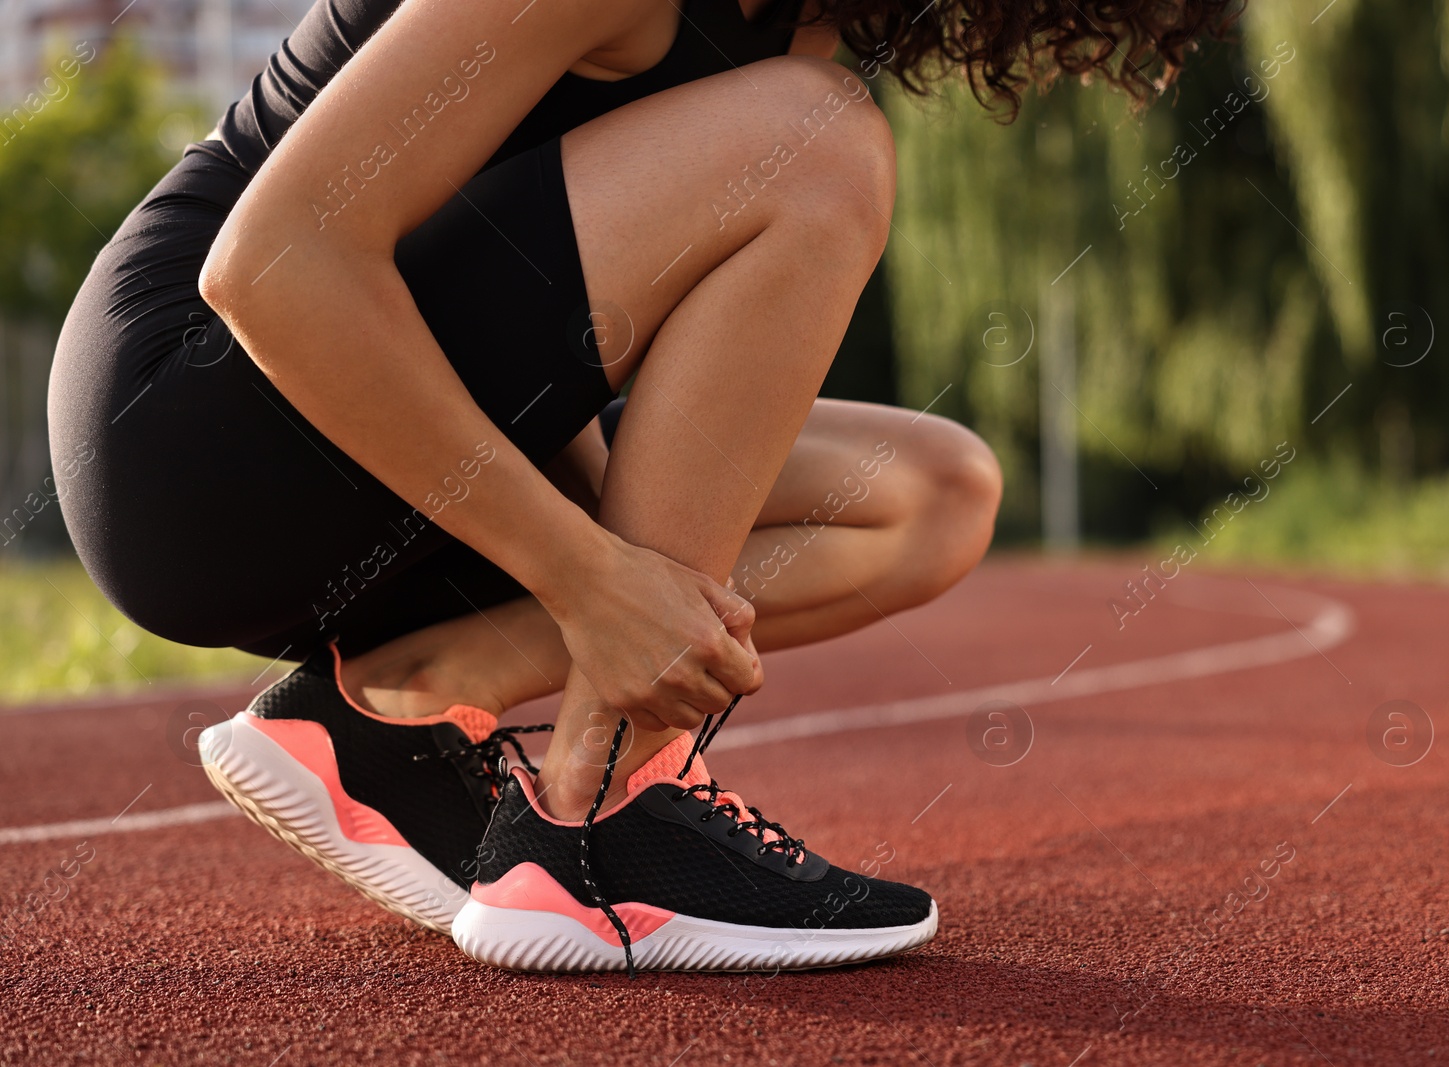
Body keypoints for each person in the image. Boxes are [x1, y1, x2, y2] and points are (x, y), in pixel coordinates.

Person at [47, 0, 1235, 973]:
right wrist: (588, 579)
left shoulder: (794, 32)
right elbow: (276, 264)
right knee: (818, 140)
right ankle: (599, 816)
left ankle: (398, 705)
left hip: (377, 441)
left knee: (928, 493)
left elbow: (537, 317)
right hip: (188, 433)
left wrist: (608, 551)